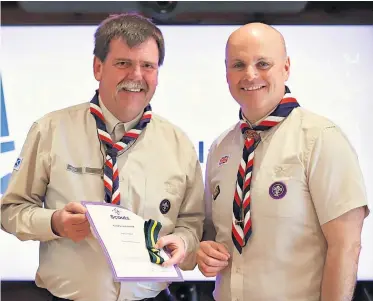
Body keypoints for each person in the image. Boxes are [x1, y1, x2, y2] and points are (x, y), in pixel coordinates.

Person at [1, 13, 204, 301]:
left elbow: (192, 223)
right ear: (98, 67)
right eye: (123, 63)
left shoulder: (179, 144)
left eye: (147, 66)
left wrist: (183, 242)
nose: (136, 76)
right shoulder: (50, 130)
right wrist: (55, 222)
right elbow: (10, 211)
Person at [196, 22, 370, 301]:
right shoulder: (220, 147)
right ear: (226, 72)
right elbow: (212, 234)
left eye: (263, 63)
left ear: (286, 67)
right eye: (238, 64)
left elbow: (346, 246)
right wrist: (203, 251)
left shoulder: (321, 138)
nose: (250, 75)